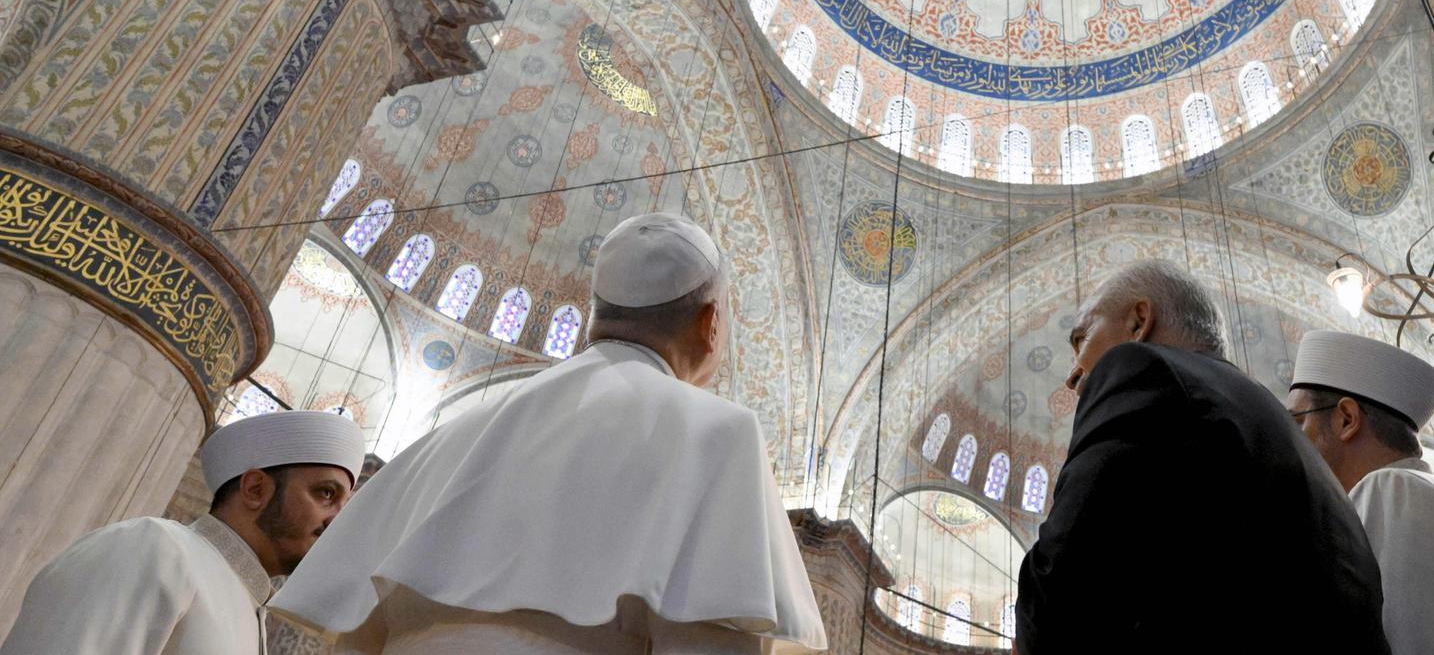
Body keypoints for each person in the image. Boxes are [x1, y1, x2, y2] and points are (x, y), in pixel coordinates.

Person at [269, 213, 826, 654]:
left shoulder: (457, 431)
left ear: (594, 317)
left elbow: (358, 633)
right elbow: (710, 640)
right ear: (709, 325)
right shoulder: (717, 433)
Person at [1016, 261, 1389, 654]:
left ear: (1138, 322)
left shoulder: (1142, 369)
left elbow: (1059, 597)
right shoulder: (1278, 430)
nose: (1073, 376)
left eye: (1082, 338)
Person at [2, 408, 363, 654]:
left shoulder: (252, 617)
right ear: (256, 489)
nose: (338, 520)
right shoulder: (155, 549)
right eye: (326, 494)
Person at [1288, 330, 1434, 655]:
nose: (1293, 441)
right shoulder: (1433, 495)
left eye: (1299, 421)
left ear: (1347, 419)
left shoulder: (1393, 493)